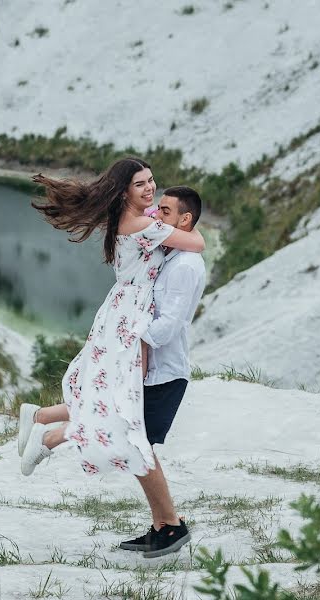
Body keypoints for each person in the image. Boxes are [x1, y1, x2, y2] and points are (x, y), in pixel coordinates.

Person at [16, 158, 205, 525]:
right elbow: (195, 242)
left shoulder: (133, 216)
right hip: (130, 317)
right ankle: (49, 438)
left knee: (115, 395)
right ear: (123, 191)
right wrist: (183, 224)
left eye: (151, 181)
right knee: (121, 402)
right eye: (140, 185)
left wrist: (158, 213)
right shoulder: (143, 224)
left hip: (121, 311)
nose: (150, 189)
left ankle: (41, 423)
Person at [116, 186, 206, 558]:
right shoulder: (173, 251)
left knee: (139, 447)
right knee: (138, 446)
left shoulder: (185, 266)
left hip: (166, 372)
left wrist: (130, 335)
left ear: (184, 220)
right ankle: (162, 526)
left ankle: (171, 526)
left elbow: (168, 326)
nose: (155, 215)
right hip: (152, 371)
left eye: (164, 211)